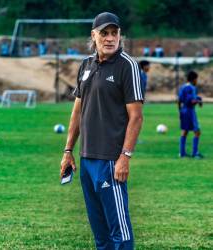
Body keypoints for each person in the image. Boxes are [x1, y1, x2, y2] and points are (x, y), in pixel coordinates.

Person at [60, 12, 144, 250]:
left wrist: (125, 156)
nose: (110, 38)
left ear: (120, 36)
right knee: (100, 233)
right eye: (104, 33)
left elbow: (136, 117)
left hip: (111, 161)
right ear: (93, 35)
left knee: (120, 232)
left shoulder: (127, 66)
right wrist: (68, 150)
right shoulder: (86, 65)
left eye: (114, 33)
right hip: (87, 160)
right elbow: (77, 112)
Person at [178, 71, 203, 159]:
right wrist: (198, 101)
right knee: (197, 132)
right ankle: (195, 153)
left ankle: (182, 153)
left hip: (183, 110)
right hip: (189, 111)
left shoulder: (183, 87)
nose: (197, 81)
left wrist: (180, 112)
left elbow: (180, 100)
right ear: (194, 79)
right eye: (197, 79)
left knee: (184, 131)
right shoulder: (190, 88)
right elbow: (190, 101)